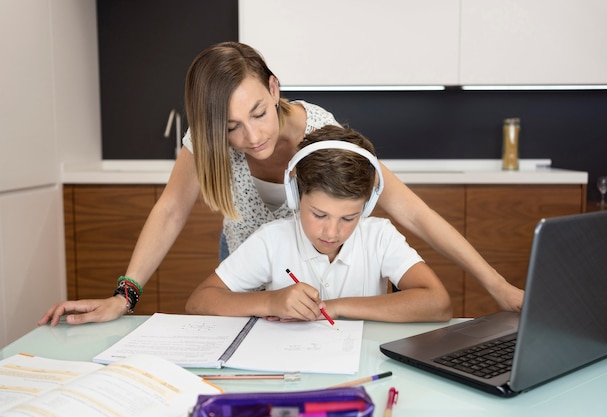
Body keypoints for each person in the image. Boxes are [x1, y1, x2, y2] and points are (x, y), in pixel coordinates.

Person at [39, 41, 523, 327]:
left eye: (257, 114)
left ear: (274, 89)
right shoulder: (206, 140)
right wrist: (125, 295)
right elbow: (170, 210)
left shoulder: (322, 135)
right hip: (249, 275)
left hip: (316, 288)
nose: (251, 138)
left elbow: (413, 211)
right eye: (230, 128)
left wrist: (497, 286)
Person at [185, 125, 452, 323]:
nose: (332, 232)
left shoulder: (380, 237)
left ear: (367, 207)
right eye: (319, 214)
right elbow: (198, 302)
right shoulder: (272, 240)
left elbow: (438, 303)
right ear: (295, 195)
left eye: (349, 218)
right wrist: (270, 301)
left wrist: (334, 307)